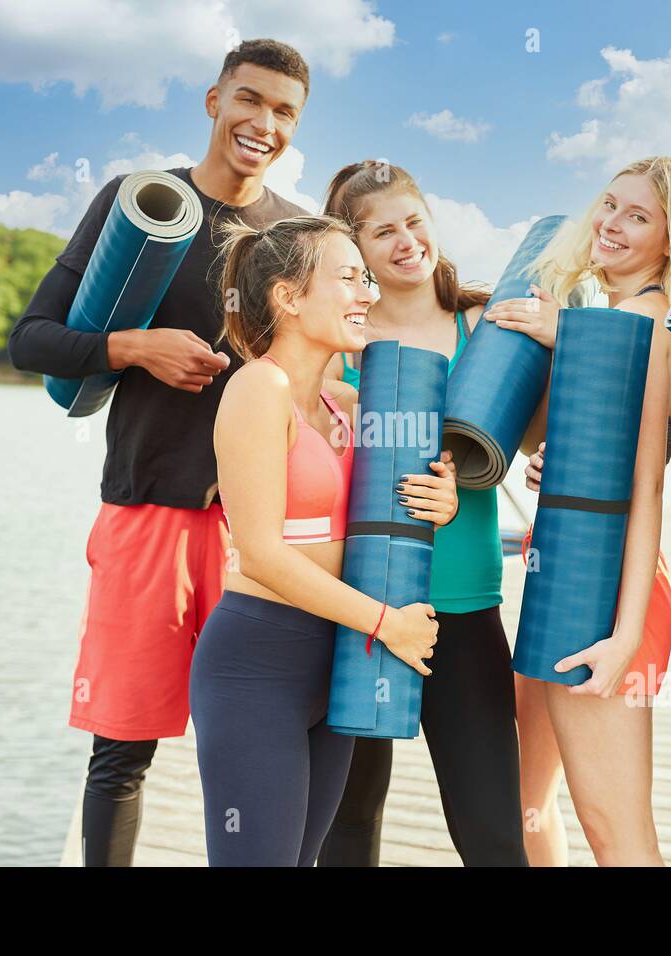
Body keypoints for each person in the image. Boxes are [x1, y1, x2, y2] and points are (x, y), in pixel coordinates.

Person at [8, 39, 312, 866]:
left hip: (257, 538)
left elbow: (322, 372)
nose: (264, 123)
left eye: (285, 111)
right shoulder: (140, 200)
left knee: (252, 753)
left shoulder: (293, 234)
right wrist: (134, 349)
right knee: (121, 757)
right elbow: (30, 339)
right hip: (144, 516)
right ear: (214, 102)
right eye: (250, 100)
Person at [192, 215, 455, 866]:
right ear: (288, 297)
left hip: (333, 662)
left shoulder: (349, 403)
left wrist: (440, 501)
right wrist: (385, 623)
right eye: (348, 278)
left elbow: (392, 513)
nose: (367, 292)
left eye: (366, 279)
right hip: (257, 665)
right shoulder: (259, 389)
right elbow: (259, 551)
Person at [315, 160, 528, 867]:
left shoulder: (486, 323)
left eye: (414, 221)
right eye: (382, 233)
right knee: (349, 826)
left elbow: (532, 436)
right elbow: (315, 466)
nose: (406, 241)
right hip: (361, 612)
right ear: (355, 248)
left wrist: (462, 488)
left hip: (464, 611)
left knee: (495, 832)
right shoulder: (338, 339)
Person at [500, 156, 671, 865]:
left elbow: (646, 486)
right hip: (565, 574)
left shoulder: (651, 322)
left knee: (617, 833)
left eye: (638, 216)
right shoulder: (605, 320)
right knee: (527, 804)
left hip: (611, 589)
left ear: (669, 241)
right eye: (610, 205)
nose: (612, 224)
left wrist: (623, 638)